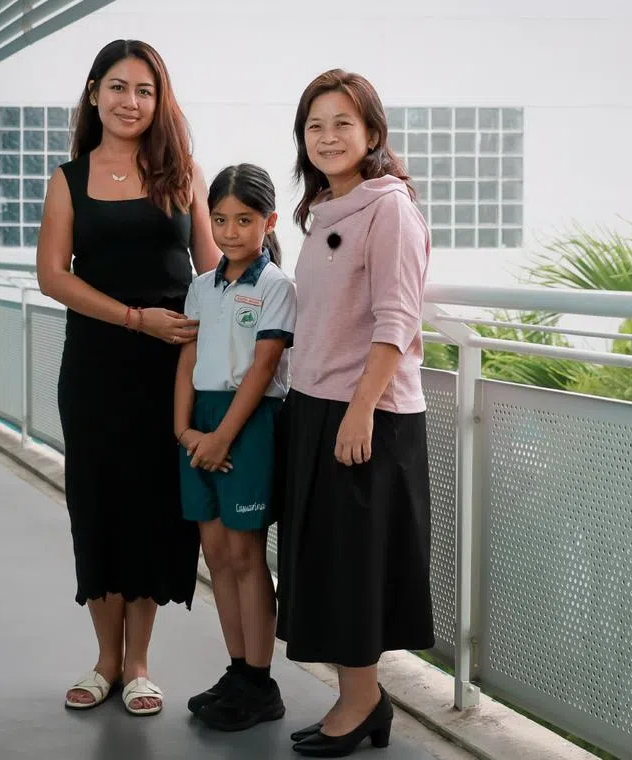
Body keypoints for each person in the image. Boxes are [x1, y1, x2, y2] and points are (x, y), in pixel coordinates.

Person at [35, 39, 221, 717]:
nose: (131, 102)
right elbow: (53, 276)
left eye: (145, 90)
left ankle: (138, 662)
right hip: (96, 366)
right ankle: (103, 661)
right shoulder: (69, 178)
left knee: (153, 510)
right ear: (93, 94)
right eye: (118, 87)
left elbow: (211, 267)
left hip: (173, 369)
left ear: (158, 100)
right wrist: (136, 319)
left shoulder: (183, 174)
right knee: (99, 505)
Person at [275, 69, 435, 757]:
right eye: (316, 125)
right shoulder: (323, 212)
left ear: (372, 132)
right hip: (314, 407)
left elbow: (397, 317)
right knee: (327, 565)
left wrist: (361, 409)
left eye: (343, 122)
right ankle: (356, 697)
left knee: (356, 570)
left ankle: (365, 701)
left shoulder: (389, 208)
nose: (329, 136)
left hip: (365, 412)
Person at [173, 164, 296, 732]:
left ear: (268, 222)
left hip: (247, 423)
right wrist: (185, 431)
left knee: (247, 556)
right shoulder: (201, 285)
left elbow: (265, 365)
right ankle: (237, 669)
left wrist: (223, 437)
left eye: (243, 220)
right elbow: (187, 361)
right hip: (200, 423)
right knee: (216, 554)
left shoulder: (275, 288)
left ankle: (260, 681)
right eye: (219, 219)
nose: (229, 231)